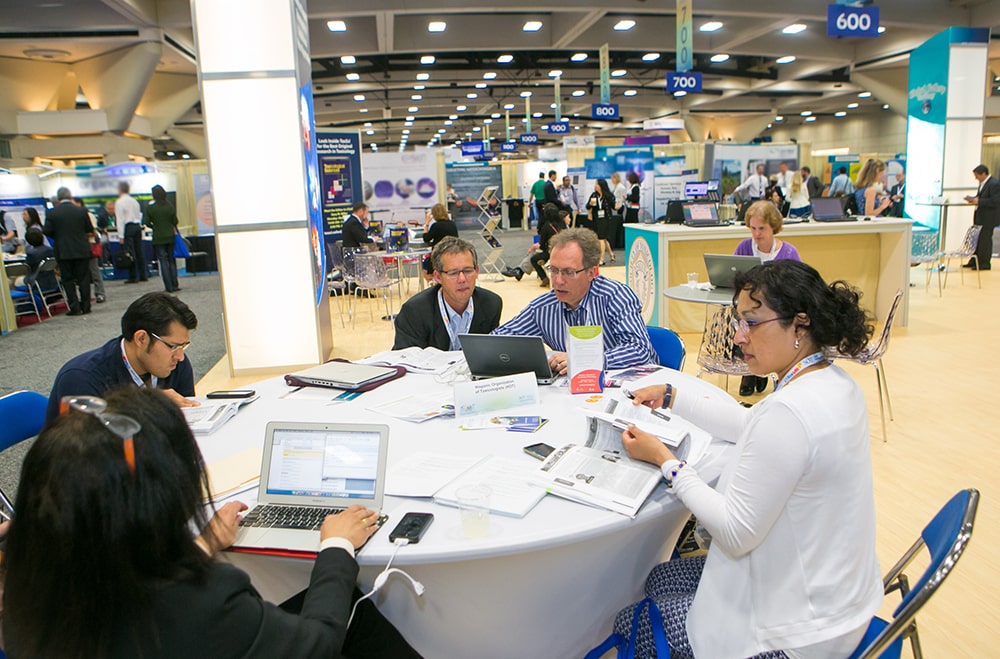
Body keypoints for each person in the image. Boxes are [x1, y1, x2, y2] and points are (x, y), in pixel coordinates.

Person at [4, 386, 420, 658]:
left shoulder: (31, 583)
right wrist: (336, 547)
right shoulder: (204, 602)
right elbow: (319, 646)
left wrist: (204, 543)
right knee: (348, 605)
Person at [615, 259, 881, 659]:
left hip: (796, 634)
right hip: (844, 602)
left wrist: (666, 462)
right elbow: (750, 425)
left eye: (752, 322)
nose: (739, 337)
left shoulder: (789, 412)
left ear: (800, 325)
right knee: (664, 577)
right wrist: (673, 395)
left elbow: (735, 534)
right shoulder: (833, 382)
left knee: (633, 619)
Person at [493, 227, 657, 374]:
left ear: (592, 273)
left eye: (568, 272)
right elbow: (498, 341)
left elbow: (640, 350)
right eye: (554, 270)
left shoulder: (615, 297)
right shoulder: (543, 307)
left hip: (632, 388)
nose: (557, 281)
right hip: (574, 394)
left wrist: (586, 360)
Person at [45, 291, 200, 422]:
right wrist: (147, 404)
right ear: (141, 339)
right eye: (173, 346)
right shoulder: (82, 378)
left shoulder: (176, 365)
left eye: (183, 346)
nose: (180, 356)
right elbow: (87, 449)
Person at [734, 201, 801, 396]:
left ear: (774, 227)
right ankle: (752, 369)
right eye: (753, 228)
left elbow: (797, 287)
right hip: (748, 309)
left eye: (762, 228)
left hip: (775, 312)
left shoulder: (789, 252)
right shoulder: (744, 247)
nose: (756, 234)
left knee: (765, 326)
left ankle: (760, 369)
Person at [393, 236, 502, 351]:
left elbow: (491, 353)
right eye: (453, 273)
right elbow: (405, 361)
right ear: (438, 277)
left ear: (476, 272)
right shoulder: (415, 311)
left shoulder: (491, 305)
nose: (462, 279)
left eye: (468, 271)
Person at [43, 186, 94, 316]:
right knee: (83, 278)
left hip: (63, 250)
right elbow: (89, 228)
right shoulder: (81, 211)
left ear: (58, 198)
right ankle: (86, 306)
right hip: (81, 249)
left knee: (68, 279)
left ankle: (74, 307)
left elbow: (47, 231)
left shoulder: (52, 213)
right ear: (70, 196)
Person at [503, 206, 569, 285]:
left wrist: (536, 247)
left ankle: (543, 278)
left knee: (534, 258)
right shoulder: (562, 225)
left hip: (552, 252)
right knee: (535, 254)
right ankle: (519, 271)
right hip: (564, 250)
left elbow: (542, 244)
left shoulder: (546, 226)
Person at [144, 184, 181, 292]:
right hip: (170, 236)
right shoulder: (169, 206)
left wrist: (155, 226)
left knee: (163, 261)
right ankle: (175, 284)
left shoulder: (150, 208)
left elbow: (146, 223)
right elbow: (175, 221)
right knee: (171, 260)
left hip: (158, 237)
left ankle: (168, 287)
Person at [963, 164, 1000, 271]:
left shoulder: (994, 184)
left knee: (985, 240)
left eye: (977, 176)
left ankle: (984, 263)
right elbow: (982, 197)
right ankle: (975, 261)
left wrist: (979, 201)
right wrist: (973, 199)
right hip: (980, 216)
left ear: (983, 174)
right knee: (977, 239)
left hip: (988, 218)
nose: (976, 178)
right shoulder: (983, 184)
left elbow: (996, 201)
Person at [73, 197, 108, 303]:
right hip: (77, 247)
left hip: (90, 245)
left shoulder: (89, 216)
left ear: (79, 204)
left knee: (94, 271)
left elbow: (93, 232)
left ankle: (100, 293)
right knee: (82, 273)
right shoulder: (73, 217)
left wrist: (79, 235)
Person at [116, 181, 147, 283]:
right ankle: (143, 274)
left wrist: (121, 235)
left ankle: (133, 276)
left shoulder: (119, 202)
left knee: (130, 252)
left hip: (128, 227)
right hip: (137, 226)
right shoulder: (134, 201)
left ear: (120, 190)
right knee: (139, 251)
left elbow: (120, 220)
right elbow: (139, 215)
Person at [420, 202, 458, 279]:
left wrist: (427, 223)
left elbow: (426, 238)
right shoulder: (452, 224)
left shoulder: (436, 226)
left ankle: (432, 284)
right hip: (452, 255)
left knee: (425, 268)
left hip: (438, 256)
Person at [587, 179, 615, 265]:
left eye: (597, 184)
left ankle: (601, 259)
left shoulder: (608, 196)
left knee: (601, 239)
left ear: (601, 186)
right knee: (603, 238)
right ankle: (611, 255)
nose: (595, 186)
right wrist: (590, 204)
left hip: (606, 219)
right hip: (597, 219)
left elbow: (613, 206)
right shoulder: (594, 195)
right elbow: (587, 206)